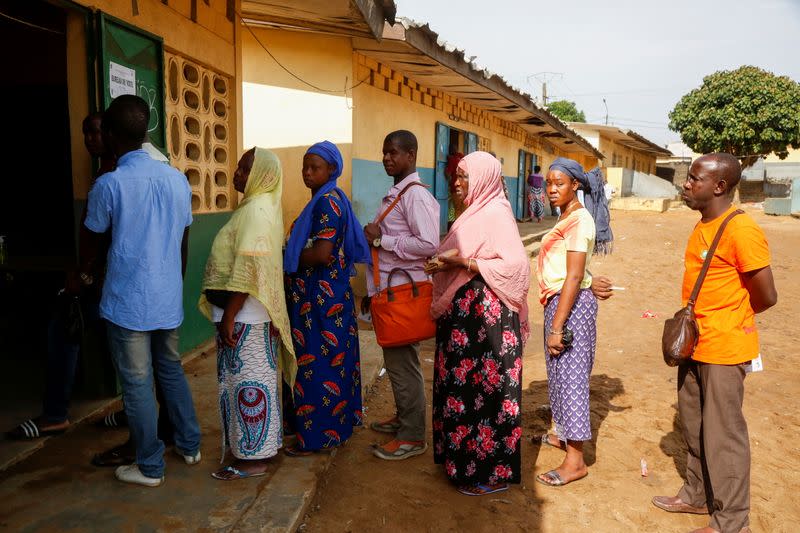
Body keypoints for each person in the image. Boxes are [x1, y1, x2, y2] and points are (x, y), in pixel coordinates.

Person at [652, 153, 776, 533]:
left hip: (724, 349)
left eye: (694, 179)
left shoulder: (741, 230)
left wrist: (730, 319)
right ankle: (695, 495)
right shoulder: (703, 224)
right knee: (694, 425)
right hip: (696, 344)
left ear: (719, 186)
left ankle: (731, 520)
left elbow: (766, 295)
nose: (686, 185)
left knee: (724, 435)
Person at [81, 94, 201, 487]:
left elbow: (92, 243)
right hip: (166, 297)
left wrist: (82, 274)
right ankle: (189, 445)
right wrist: (173, 284)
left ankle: (149, 465)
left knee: (136, 383)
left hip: (127, 301)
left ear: (112, 135)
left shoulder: (109, 184)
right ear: (147, 131)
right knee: (169, 370)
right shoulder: (177, 179)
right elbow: (183, 242)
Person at [6, 113, 120, 441]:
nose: (89, 139)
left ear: (111, 134)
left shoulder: (113, 177)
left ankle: (55, 414)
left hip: (100, 281)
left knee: (68, 333)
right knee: (105, 342)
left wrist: (83, 277)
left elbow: (100, 239)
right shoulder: (105, 172)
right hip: (100, 280)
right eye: (86, 133)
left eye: (96, 132)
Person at [426, 151, 530, 496]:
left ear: (483, 178)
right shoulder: (472, 213)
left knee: (486, 394)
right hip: (467, 324)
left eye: (463, 176)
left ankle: (488, 472)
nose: (456, 183)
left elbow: (516, 268)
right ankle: (461, 464)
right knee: (461, 389)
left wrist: (463, 262)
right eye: (455, 175)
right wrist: (447, 264)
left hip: (488, 324)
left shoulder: (496, 214)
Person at [199, 147, 297, 480]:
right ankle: (252, 451)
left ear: (262, 175)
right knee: (248, 384)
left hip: (246, 317)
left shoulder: (257, 210)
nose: (238, 173)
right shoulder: (259, 206)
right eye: (240, 167)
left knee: (249, 386)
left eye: (245, 168)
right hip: (248, 316)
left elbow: (249, 267)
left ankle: (253, 458)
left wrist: (229, 314)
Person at [283, 141, 370, 455]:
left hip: (319, 301)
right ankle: (334, 430)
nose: (307, 172)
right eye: (305, 166)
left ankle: (315, 438)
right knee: (333, 363)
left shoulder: (326, 203)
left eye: (314, 167)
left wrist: (287, 257)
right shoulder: (330, 198)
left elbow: (321, 253)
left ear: (331, 170)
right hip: (328, 296)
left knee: (317, 367)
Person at [534, 157, 613, 487]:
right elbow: (575, 272)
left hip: (571, 308)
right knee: (559, 374)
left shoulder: (579, 221)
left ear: (576, 186)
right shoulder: (566, 217)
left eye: (560, 183)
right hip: (561, 302)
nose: (552, 189)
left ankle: (576, 460)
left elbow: (574, 275)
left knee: (573, 380)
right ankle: (563, 435)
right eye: (549, 183)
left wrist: (557, 326)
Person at [363, 130, 440, 460]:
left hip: (403, 294)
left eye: (393, 152)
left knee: (402, 366)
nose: (387, 158)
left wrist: (383, 242)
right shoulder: (400, 192)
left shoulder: (414, 196)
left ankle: (411, 436)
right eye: (384, 152)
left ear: (411, 155)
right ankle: (405, 418)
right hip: (393, 292)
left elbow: (429, 245)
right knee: (401, 362)